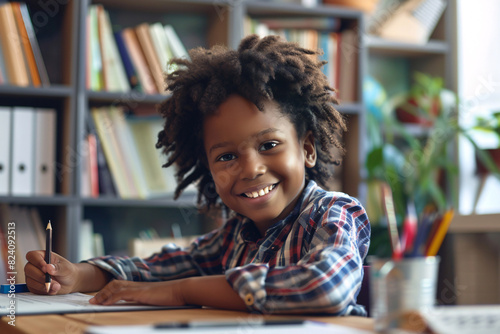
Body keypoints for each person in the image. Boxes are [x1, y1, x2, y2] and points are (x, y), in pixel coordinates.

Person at [25, 35, 370, 316]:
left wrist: (181, 290)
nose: (251, 168)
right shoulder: (234, 236)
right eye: (227, 156)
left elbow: (325, 288)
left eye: (269, 144)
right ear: (208, 167)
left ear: (307, 148)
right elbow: (166, 265)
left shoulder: (334, 213)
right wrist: (78, 275)